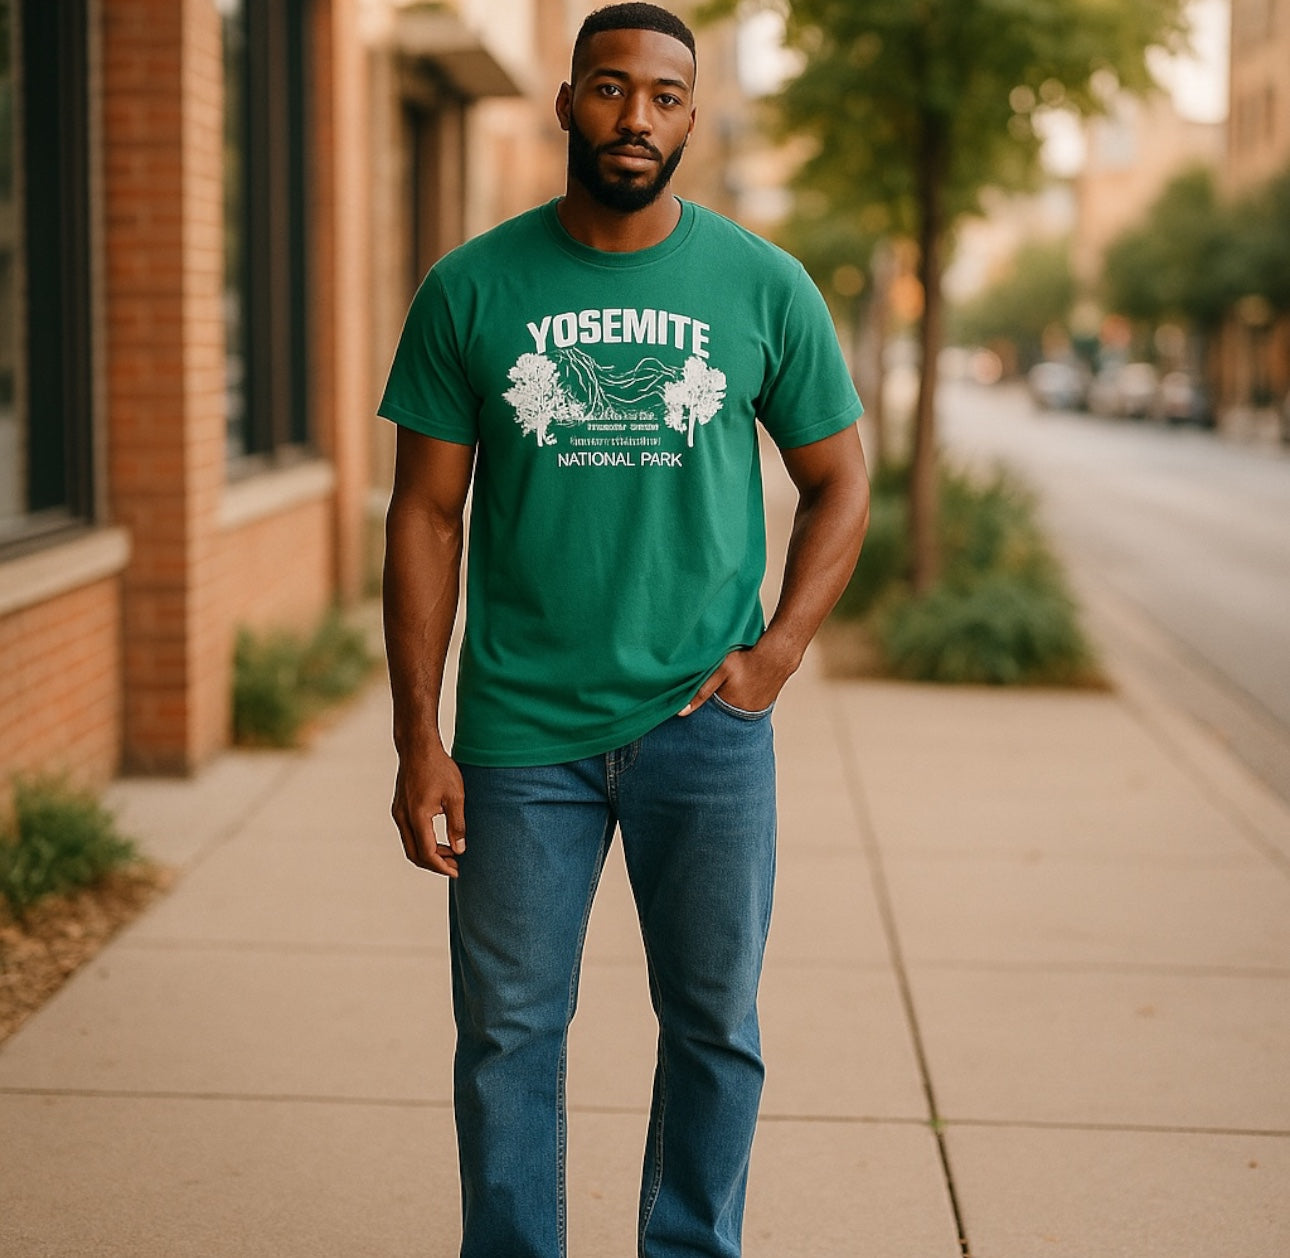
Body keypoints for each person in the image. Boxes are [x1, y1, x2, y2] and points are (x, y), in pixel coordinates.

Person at [379, 5, 869, 1255]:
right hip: (518, 734)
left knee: (714, 1028)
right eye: (608, 88)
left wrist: (774, 658)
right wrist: (418, 736)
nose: (634, 116)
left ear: (692, 118)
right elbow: (426, 514)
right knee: (505, 1034)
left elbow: (840, 482)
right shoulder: (471, 286)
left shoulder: (763, 285)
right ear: (567, 104)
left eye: (663, 96)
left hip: (705, 728)